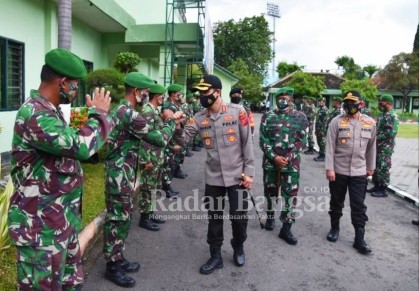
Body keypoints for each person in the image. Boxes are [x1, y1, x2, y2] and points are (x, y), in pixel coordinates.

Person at [7, 48, 114, 290]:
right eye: (75, 84)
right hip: (40, 231)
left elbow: (67, 151)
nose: (76, 91)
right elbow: (81, 146)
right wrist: (99, 114)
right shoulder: (35, 114)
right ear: (63, 82)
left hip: (60, 223)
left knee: (70, 284)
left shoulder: (49, 111)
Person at [103, 73, 183, 287]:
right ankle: (112, 266)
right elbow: (158, 139)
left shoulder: (126, 111)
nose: (149, 94)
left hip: (124, 173)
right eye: (146, 91)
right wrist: (172, 121)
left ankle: (118, 257)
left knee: (123, 217)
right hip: (118, 176)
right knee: (117, 219)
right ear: (136, 91)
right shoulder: (127, 113)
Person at [180, 74, 254, 274]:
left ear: (217, 92)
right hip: (213, 177)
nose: (202, 96)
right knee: (214, 218)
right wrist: (175, 124)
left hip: (237, 176)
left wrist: (249, 172)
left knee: (239, 218)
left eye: (205, 92)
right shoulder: (199, 118)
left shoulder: (237, 111)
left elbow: (248, 143)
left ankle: (238, 246)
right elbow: (182, 141)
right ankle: (215, 255)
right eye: (200, 93)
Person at [325, 90, 376, 255]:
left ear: (361, 104)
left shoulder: (369, 123)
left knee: (358, 205)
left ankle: (359, 239)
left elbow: (372, 147)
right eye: (347, 102)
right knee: (336, 201)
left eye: (353, 102)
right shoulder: (336, 122)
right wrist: (330, 168)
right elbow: (330, 147)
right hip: (339, 170)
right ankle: (334, 228)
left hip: (359, 171)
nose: (349, 105)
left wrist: (371, 166)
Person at [259, 86, 308, 244]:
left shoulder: (300, 117)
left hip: (291, 164)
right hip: (271, 163)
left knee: (290, 195)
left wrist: (287, 157)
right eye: (280, 98)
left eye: (286, 98)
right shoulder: (268, 116)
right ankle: (270, 216)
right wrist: (274, 157)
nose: (282, 100)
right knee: (270, 191)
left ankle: (286, 228)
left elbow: (302, 141)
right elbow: (263, 139)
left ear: (291, 100)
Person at [137, 83, 174, 231]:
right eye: (162, 96)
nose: (163, 98)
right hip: (150, 158)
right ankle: (144, 219)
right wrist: (146, 160)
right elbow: (144, 137)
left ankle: (150, 213)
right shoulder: (148, 111)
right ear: (155, 96)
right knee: (148, 188)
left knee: (154, 187)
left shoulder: (154, 110)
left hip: (156, 156)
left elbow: (157, 133)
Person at [368, 94, 399, 197]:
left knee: (383, 166)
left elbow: (392, 133)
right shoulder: (382, 115)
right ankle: (377, 186)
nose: (380, 104)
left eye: (382, 102)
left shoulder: (392, 116)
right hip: (377, 146)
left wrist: (376, 136)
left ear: (388, 103)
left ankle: (383, 189)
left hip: (385, 147)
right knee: (376, 166)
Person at [314, 97, 329, 162]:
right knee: (319, 142)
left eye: (321, 101)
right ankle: (320, 154)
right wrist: (316, 130)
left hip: (322, 130)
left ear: (324, 102)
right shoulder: (319, 110)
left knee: (322, 143)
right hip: (318, 129)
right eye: (319, 101)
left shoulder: (325, 110)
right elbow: (317, 120)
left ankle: (323, 156)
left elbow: (325, 121)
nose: (320, 102)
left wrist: (322, 130)